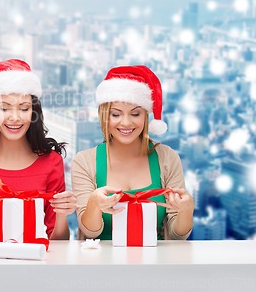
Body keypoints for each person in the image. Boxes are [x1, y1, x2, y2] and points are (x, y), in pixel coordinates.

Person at [0, 59, 76, 241]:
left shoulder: (51, 161)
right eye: (5, 108)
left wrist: (63, 213)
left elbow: (59, 242)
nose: (15, 117)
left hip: (33, 262)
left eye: (24, 108)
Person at [71, 65, 194, 240]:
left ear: (146, 116)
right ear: (104, 116)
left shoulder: (167, 158)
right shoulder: (84, 162)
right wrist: (94, 204)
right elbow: (91, 232)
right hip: (101, 264)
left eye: (135, 114)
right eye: (116, 114)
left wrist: (186, 210)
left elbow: (177, 234)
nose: (126, 123)